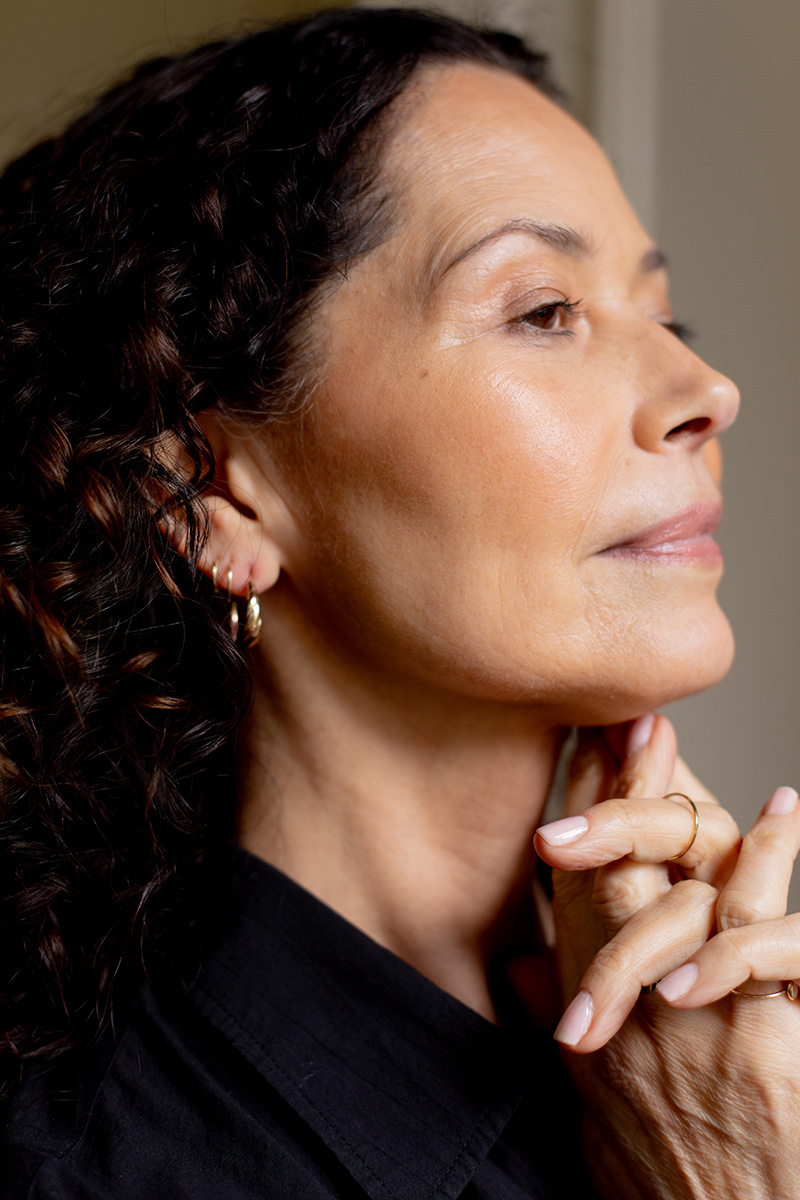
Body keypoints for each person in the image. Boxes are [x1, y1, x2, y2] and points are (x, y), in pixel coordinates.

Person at [1, 7, 799, 1197]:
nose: (705, 390)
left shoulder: (749, 1052)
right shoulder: (91, 1168)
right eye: (543, 312)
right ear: (223, 490)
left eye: (663, 314)